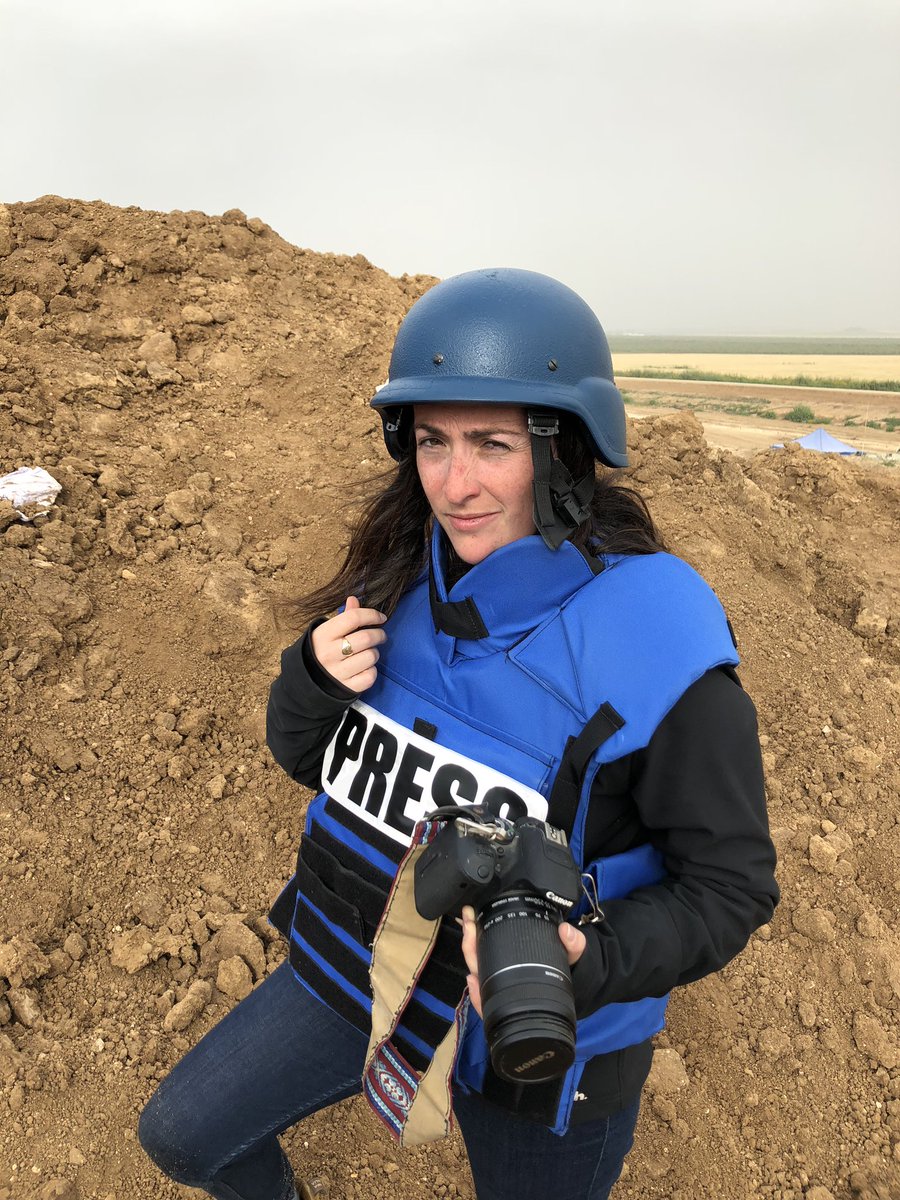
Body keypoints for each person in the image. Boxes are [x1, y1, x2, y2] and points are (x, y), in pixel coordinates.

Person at [138, 268, 779, 1200]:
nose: (454, 483)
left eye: (493, 444)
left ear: (566, 453)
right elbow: (318, 763)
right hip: (363, 971)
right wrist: (311, 682)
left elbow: (730, 886)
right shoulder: (398, 577)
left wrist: (591, 961)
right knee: (183, 1136)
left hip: (534, 1038)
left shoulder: (657, 644)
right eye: (433, 442)